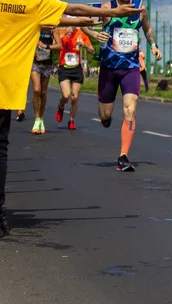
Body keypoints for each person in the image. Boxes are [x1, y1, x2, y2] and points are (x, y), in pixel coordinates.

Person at [0, 0, 143, 239]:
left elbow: (68, 15)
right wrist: (111, 12)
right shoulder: (29, 3)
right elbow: (71, 9)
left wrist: (82, 23)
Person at [93, 0, 162, 172]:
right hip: (109, 68)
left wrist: (153, 45)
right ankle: (105, 117)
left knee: (130, 110)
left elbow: (147, 29)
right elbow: (86, 23)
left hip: (130, 68)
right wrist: (94, 35)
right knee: (105, 115)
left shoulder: (140, 9)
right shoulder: (107, 7)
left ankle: (123, 156)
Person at [55, 26, 95, 130]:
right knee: (66, 95)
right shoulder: (62, 32)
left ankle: (71, 120)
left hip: (76, 68)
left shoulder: (81, 34)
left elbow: (92, 50)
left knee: (75, 96)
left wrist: (84, 45)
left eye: (74, 24)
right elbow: (54, 43)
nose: (71, 27)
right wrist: (64, 34)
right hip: (64, 68)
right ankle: (61, 106)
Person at [31, 27, 62, 135]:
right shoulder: (35, 26)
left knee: (43, 92)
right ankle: (36, 119)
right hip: (35, 62)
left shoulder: (53, 28)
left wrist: (46, 46)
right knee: (36, 89)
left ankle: (41, 118)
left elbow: (59, 46)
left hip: (47, 63)